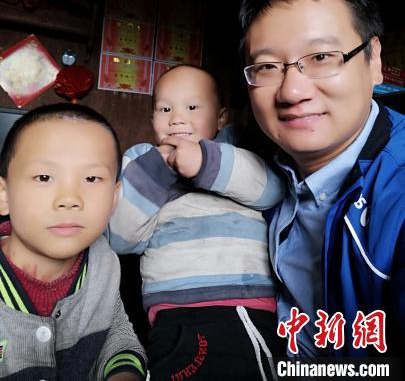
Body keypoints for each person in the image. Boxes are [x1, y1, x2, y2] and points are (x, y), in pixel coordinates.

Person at [234, 0, 405, 358]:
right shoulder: (254, 161)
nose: (292, 91)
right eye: (267, 66)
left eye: (322, 57)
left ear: (374, 60)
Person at [108, 64, 286, 381]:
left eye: (192, 107)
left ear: (220, 118)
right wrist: (159, 168)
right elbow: (121, 239)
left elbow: (271, 190)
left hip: (241, 303)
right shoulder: (141, 161)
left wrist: (205, 161)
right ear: (152, 119)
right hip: (170, 312)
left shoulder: (237, 148)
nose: (177, 118)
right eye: (165, 109)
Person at [0, 103, 147, 380]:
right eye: (44, 177)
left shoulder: (104, 264)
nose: (69, 198)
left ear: (114, 197)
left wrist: (124, 372)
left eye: (91, 178)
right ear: (3, 195)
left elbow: (115, 332)